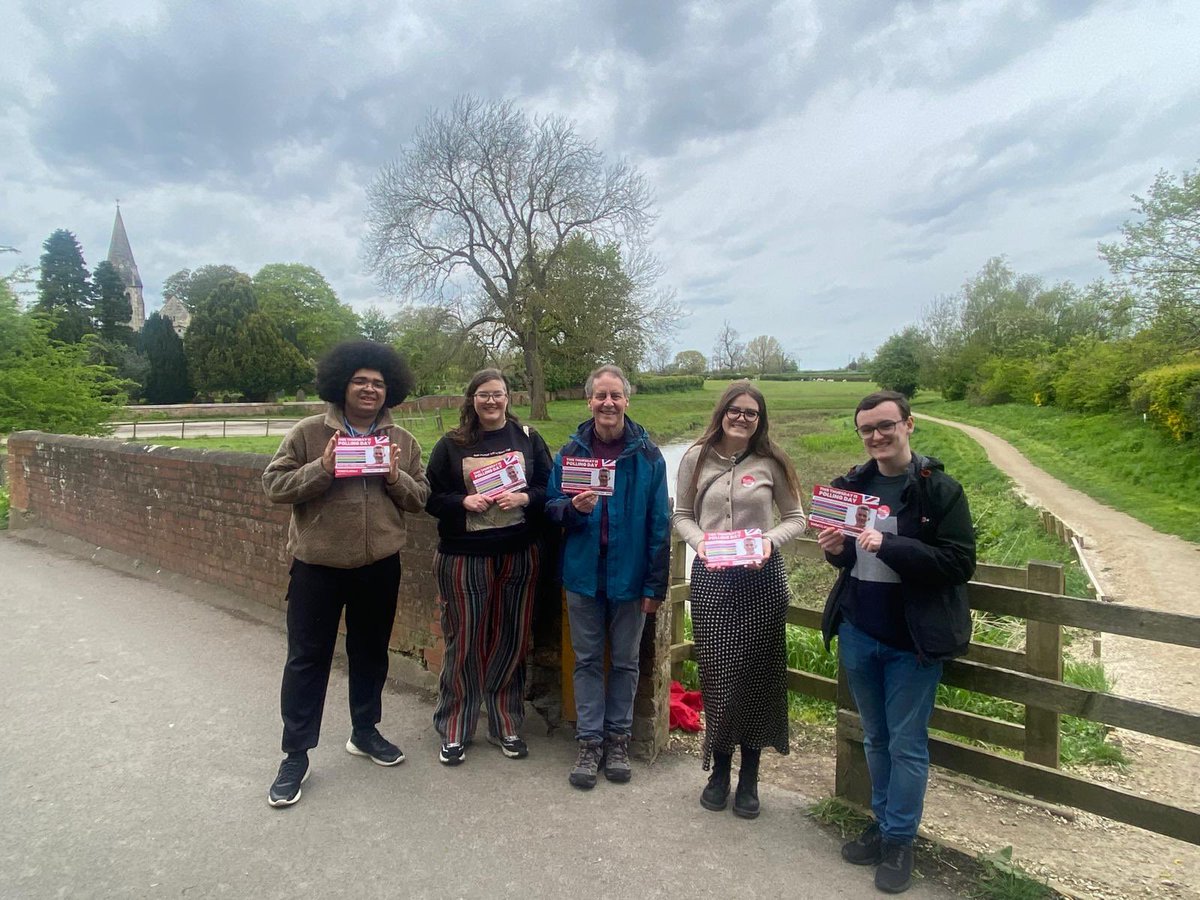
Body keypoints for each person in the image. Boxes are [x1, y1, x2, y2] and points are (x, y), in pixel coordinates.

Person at [817, 390, 976, 893]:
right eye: (867, 429)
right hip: (860, 633)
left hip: (913, 641)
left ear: (909, 425)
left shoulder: (940, 491)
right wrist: (836, 551)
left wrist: (892, 544)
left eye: (886, 425)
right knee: (876, 738)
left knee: (906, 744)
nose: (877, 436)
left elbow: (958, 564)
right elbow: (849, 562)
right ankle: (882, 825)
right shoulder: (851, 486)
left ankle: (900, 839)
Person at [262, 341, 430, 808]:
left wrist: (397, 479)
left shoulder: (404, 442)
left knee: (371, 653)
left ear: (389, 388)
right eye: (361, 381)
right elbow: (274, 485)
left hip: (379, 566)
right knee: (305, 660)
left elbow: (420, 499)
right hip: (317, 566)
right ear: (343, 384)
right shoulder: (308, 433)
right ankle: (295, 754)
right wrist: (324, 468)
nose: (370, 389)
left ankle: (365, 731)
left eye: (378, 383)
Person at [672, 381, 807, 818]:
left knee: (759, 675)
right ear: (722, 412)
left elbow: (797, 518)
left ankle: (750, 774)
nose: (743, 418)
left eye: (751, 412)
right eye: (736, 410)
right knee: (719, 675)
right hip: (714, 580)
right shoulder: (696, 458)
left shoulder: (772, 462)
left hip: (761, 580)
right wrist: (702, 544)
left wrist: (768, 542)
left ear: (760, 418)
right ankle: (719, 770)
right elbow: (682, 516)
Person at [546, 365, 671, 790]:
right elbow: (550, 507)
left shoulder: (648, 456)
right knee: (585, 661)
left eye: (615, 395)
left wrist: (655, 586)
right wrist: (572, 509)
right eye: (601, 395)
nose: (608, 403)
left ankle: (617, 739)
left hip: (630, 577)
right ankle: (589, 742)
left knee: (625, 661)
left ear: (627, 400)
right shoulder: (570, 452)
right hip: (583, 575)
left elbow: (660, 524)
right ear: (589, 401)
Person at [424, 369, 551, 765]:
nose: (491, 401)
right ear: (472, 400)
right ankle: (455, 728)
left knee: (511, 639)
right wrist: (461, 503)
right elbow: (430, 495)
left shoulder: (528, 439)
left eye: (497, 394)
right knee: (464, 640)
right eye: (483, 395)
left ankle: (506, 723)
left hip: (518, 554)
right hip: (464, 556)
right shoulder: (451, 444)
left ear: (508, 397)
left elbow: (551, 487)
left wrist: (526, 499)